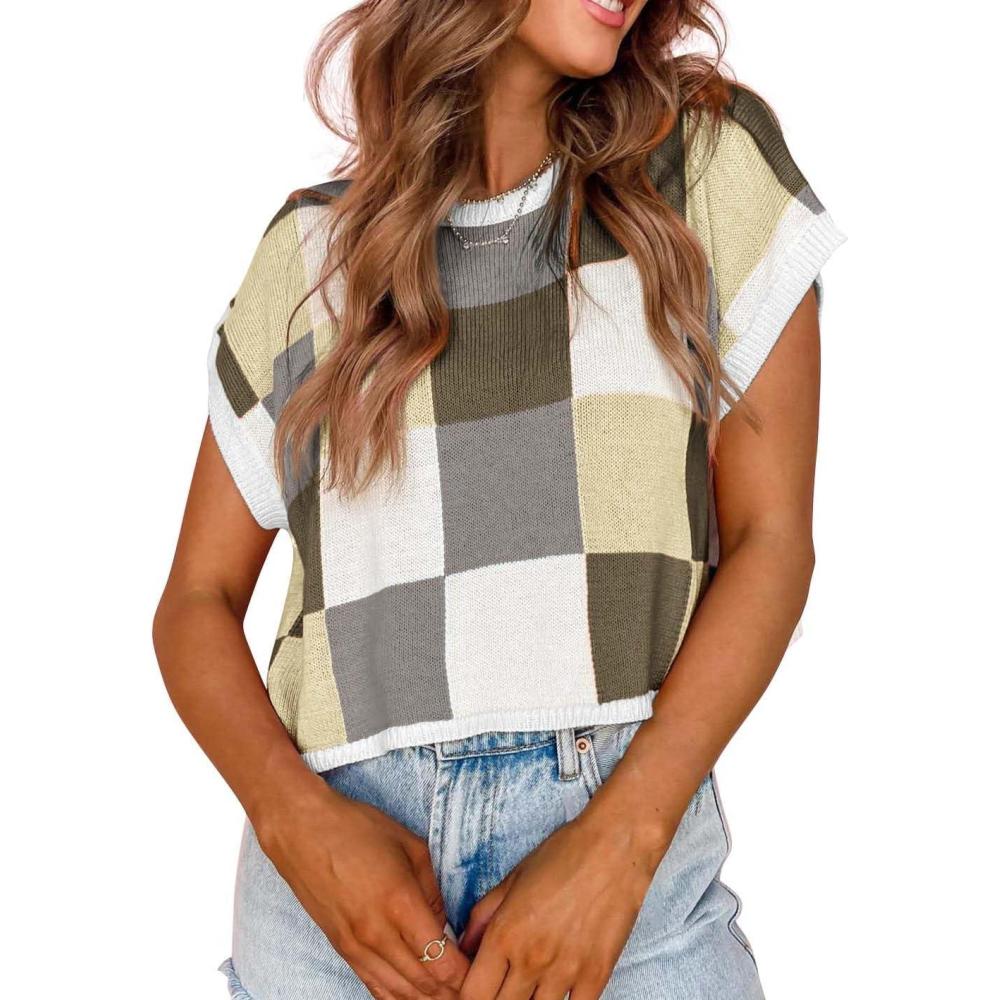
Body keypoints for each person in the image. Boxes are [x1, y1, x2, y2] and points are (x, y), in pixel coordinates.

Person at [152, 0, 846, 996]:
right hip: (338, 906)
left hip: (622, 873)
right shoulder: (312, 251)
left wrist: (623, 841)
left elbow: (772, 540)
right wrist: (294, 822)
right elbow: (195, 600)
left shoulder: (701, 164)